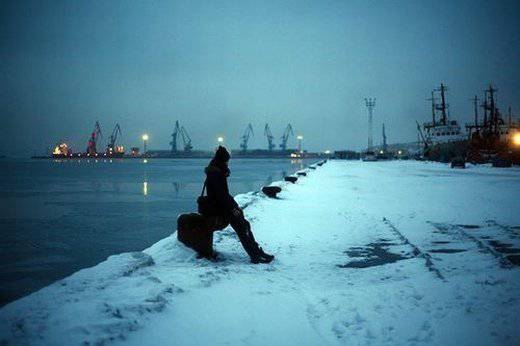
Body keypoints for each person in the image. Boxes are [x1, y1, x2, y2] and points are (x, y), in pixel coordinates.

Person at [204, 146, 274, 264]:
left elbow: (223, 195)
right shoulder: (216, 173)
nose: (228, 163)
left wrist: (234, 206)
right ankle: (255, 254)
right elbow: (221, 196)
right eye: (227, 160)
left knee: (244, 224)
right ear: (223, 159)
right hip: (218, 209)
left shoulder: (216, 170)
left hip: (221, 206)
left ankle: (256, 252)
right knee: (242, 227)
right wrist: (233, 209)